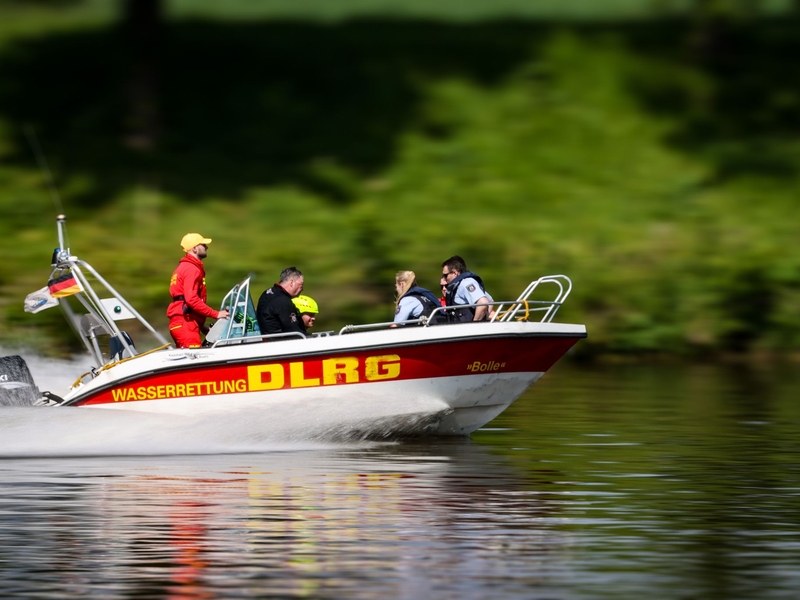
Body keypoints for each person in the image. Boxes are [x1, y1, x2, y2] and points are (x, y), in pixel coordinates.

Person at [167, 233, 230, 348]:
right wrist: (217, 314)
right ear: (195, 249)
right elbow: (191, 300)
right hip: (186, 325)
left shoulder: (185, 267)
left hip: (183, 323)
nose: (207, 247)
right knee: (194, 360)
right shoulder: (192, 269)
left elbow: (185, 302)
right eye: (203, 245)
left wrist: (203, 327)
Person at [440, 255, 493, 322]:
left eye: (445, 275)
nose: (444, 278)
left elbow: (483, 302)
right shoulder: (462, 284)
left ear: (455, 273)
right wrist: (485, 318)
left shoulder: (465, 284)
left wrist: (475, 323)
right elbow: (490, 301)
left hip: (467, 330)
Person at [256, 267, 306, 336]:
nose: (302, 289)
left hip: (266, 338)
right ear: (291, 282)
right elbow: (293, 330)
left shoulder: (268, 293)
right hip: (277, 342)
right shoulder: (282, 300)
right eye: (301, 285)